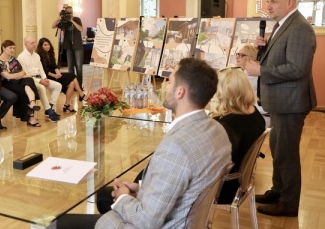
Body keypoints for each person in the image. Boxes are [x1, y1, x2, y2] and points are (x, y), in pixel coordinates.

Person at [57, 58, 232, 228]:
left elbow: (145, 221)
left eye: (169, 82)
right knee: (104, 195)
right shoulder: (218, 131)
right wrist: (142, 189)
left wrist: (124, 198)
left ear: (180, 92)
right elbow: (184, 186)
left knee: (56, 224)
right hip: (186, 218)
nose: (165, 87)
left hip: (160, 223)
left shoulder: (177, 147)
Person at [245, 0, 316, 217]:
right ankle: (278, 191)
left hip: (290, 102)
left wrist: (262, 69)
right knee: (278, 148)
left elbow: (297, 68)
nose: (268, 6)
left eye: (273, 2)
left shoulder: (300, 28)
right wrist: (261, 51)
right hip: (280, 101)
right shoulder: (283, 25)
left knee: (286, 152)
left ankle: (289, 203)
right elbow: (282, 59)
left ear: (290, 2)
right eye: (267, 1)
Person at [210, 68, 266, 204]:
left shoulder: (228, 125)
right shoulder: (255, 115)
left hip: (223, 188)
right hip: (239, 183)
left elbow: (213, 161)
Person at [0, 40, 41, 127]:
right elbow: (7, 77)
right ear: (3, 48)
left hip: (16, 80)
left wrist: (17, 75)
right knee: (23, 89)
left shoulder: (13, 59)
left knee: (29, 80)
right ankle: (31, 116)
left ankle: (32, 103)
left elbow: (23, 72)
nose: (12, 50)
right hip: (6, 83)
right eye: (10, 48)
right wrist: (18, 75)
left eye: (14, 48)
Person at [36, 37, 87, 113]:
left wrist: (58, 72)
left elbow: (54, 66)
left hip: (54, 74)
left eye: (48, 44)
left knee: (72, 83)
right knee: (72, 75)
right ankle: (81, 94)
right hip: (47, 76)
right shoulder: (39, 56)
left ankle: (67, 104)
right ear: (41, 47)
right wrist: (55, 75)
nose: (47, 46)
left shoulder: (50, 53)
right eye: (45, 45)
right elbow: (44, 71)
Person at [17, 36, 61, 123]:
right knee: (42, 88)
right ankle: (49, 110)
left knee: (58, 86)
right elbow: (25, 74)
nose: (34, 44)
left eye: (35, 42)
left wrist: (44, 78)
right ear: (25, 44)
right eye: (32, 43)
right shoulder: (21, 57)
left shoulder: (36, 55)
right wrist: (40, 81)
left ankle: (51, 106)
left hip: (40, 78)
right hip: (30, 80)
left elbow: (41, 69)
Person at [51, 6, 84, 90]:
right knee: (70, 68)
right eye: (68, 12)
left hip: (78, 46)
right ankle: (73, 85)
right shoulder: (63, 21)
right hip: (68, 47)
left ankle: (79, 86)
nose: (70, 14)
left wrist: (72, 20)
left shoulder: (77, 19)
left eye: (71, 12)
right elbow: (53, 26)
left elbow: (81, 29)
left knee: (79, 68)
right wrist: (59, 19)